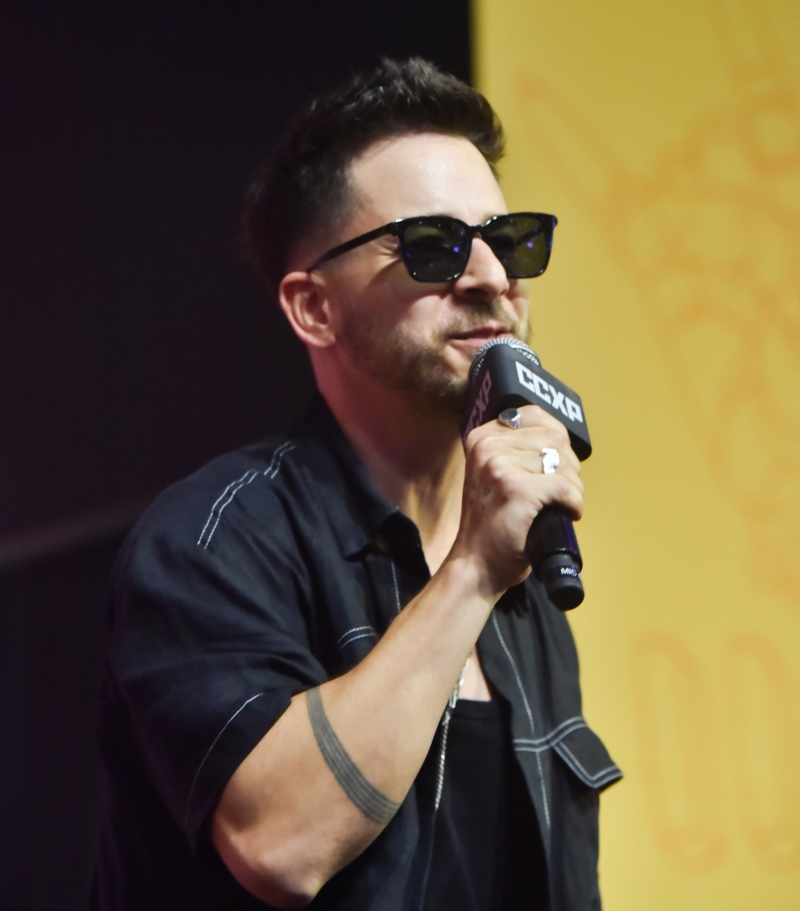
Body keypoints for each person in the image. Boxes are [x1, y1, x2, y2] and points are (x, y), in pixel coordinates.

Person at [93, 58, 621, 911]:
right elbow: (280, 845)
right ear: (314, 307)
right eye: (434, 246)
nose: (493, 277)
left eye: (510, 239)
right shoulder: (212, 542)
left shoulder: (525, 581)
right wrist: (471, 573)